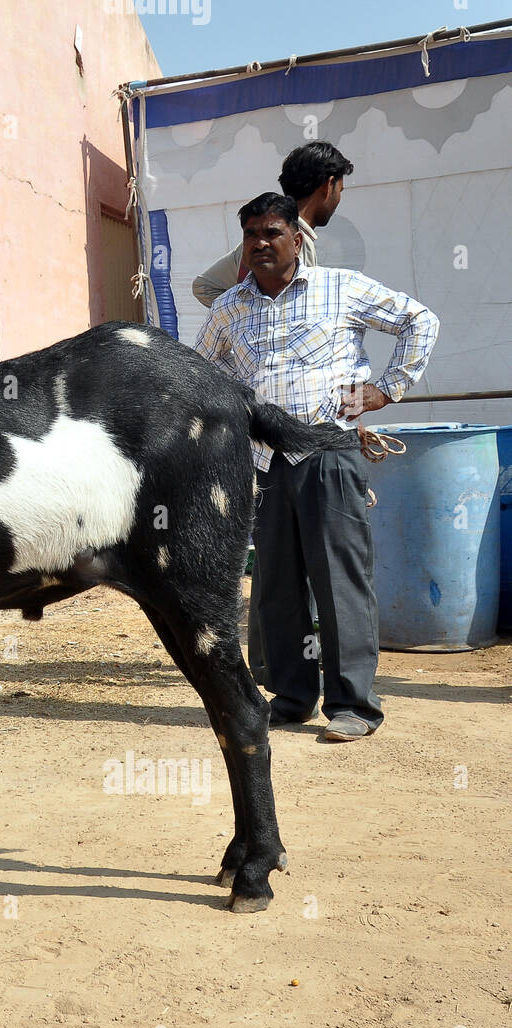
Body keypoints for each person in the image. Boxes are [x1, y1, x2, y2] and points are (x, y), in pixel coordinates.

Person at [194, 192, 438, 742]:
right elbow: (201, 377)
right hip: (264, 461)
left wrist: (384, 389)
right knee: (276, 585)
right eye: (251, 233)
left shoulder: (341, 287)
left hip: (328, 452)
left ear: (297, 238)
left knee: (340, 581)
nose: (260, 243)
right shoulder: (229, 308)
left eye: (271, 232)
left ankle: (354, 705)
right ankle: (292, 697)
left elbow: (419, 320)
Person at [193, 142, 355, 689]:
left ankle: (322, 689)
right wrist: (241, 315)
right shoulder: (287, 236)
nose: (261, 243)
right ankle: (280, 678)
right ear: (328, 184)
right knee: (283, 575)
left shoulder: (296, 239)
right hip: (271, 442)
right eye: (341, 189)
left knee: (293, 574)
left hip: (310, 439)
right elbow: (213, 292)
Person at [192, 141, 354, 308]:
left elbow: (203, 287)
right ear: (328, 185)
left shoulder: (251, 243)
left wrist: (242, 313)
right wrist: (246, 315)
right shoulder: (297, 239)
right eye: (340, 190)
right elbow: (299, 308)